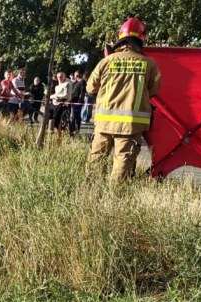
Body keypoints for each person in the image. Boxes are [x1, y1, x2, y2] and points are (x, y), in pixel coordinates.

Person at [86, 16, 162, 181]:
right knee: (123, 164)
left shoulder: (106, 62)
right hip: (130, 125)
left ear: (120, 39)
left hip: (103, 123)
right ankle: (114, 198)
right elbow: (154, 90)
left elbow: (90, 87)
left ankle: (91, 194)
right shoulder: (149, 64)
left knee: (96, 162)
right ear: (141, 38)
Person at [69, 70, 87, 136]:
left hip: (77, 102)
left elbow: (82, 92)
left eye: (75, 75)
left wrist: (80, 101)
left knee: (76, 117)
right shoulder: (76, 82)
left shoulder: (82, 82)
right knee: (73, 117)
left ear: (77, 75)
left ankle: (76, 131)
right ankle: (72, 131)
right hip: (73, 101)